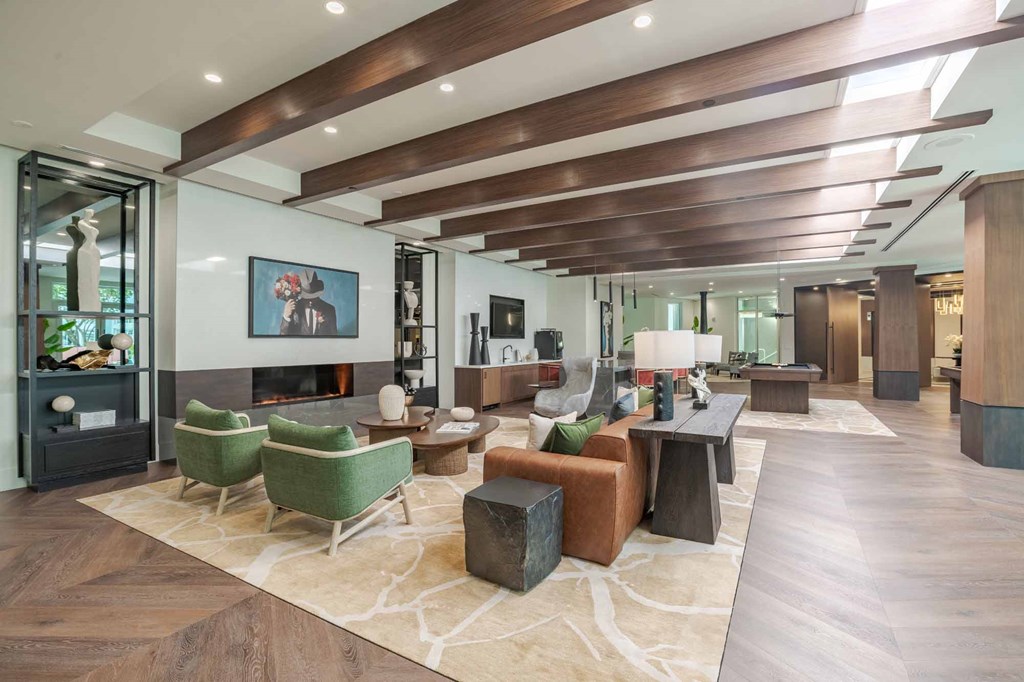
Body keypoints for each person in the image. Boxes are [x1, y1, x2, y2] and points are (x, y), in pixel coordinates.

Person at [280, 269, 337, 336]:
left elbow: (334, 339)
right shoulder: (293, 309)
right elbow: (283, 337)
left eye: (313, 297)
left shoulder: (329, 310)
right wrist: (286, 317)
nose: (310, 301)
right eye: (307, 297)